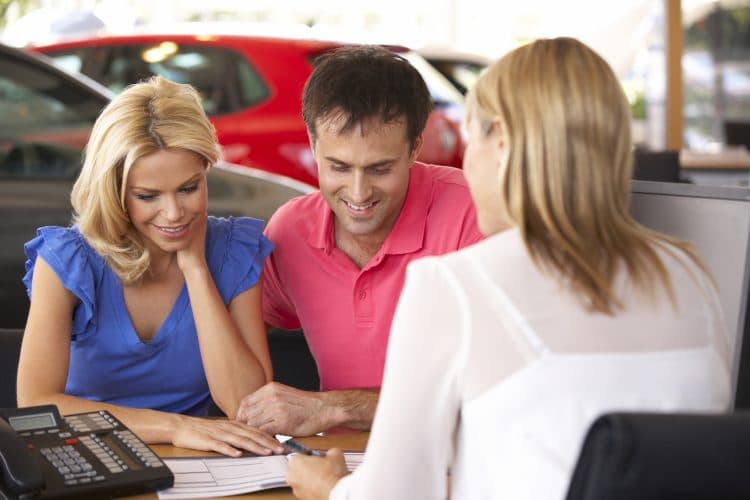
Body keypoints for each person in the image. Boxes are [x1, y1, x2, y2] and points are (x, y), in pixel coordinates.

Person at [285, 37, 732, 499]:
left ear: (500, 142)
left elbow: (394, 494)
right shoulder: (691, 275)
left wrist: (329, 486)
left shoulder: (452, 285)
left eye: (470, 138)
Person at [18, 76, 286, 458]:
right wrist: (172, 426)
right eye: (148, 196)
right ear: (114, 191)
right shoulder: (67, 259)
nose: (174, 213)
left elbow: (248, 408)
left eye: (189, 188)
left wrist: (196, 268)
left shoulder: (233, 251)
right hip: (85, 455)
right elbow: (37, 404)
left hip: (196, 465)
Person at [236, 45, 484, 436]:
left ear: (415, 147)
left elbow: (488, 392)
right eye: (338, 166)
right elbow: (244, 344)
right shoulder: (290, 230)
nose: (358, 192)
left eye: (379, 168)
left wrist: (333, 407)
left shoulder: (472, 216)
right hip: (339, 470)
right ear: (314, 145)